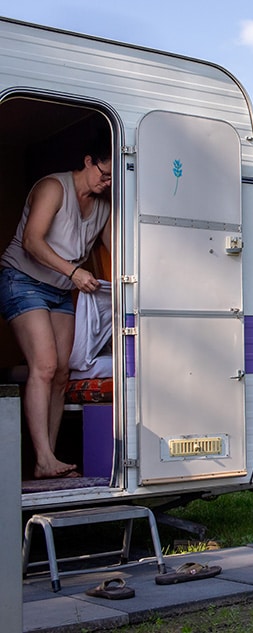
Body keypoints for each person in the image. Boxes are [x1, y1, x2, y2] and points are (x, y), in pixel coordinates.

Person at [0, 140, 112, 479]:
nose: (106, 183)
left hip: (60, 291)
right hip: (22, 280)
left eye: (111, 179)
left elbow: (116, 250)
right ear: (88, 160)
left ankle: (45, 461)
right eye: (104, 174)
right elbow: (33, 241)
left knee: (62, 372)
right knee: (45, 365)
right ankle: (44, 457)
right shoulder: (54, 187)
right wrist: (75, 272)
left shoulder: (104, 206)